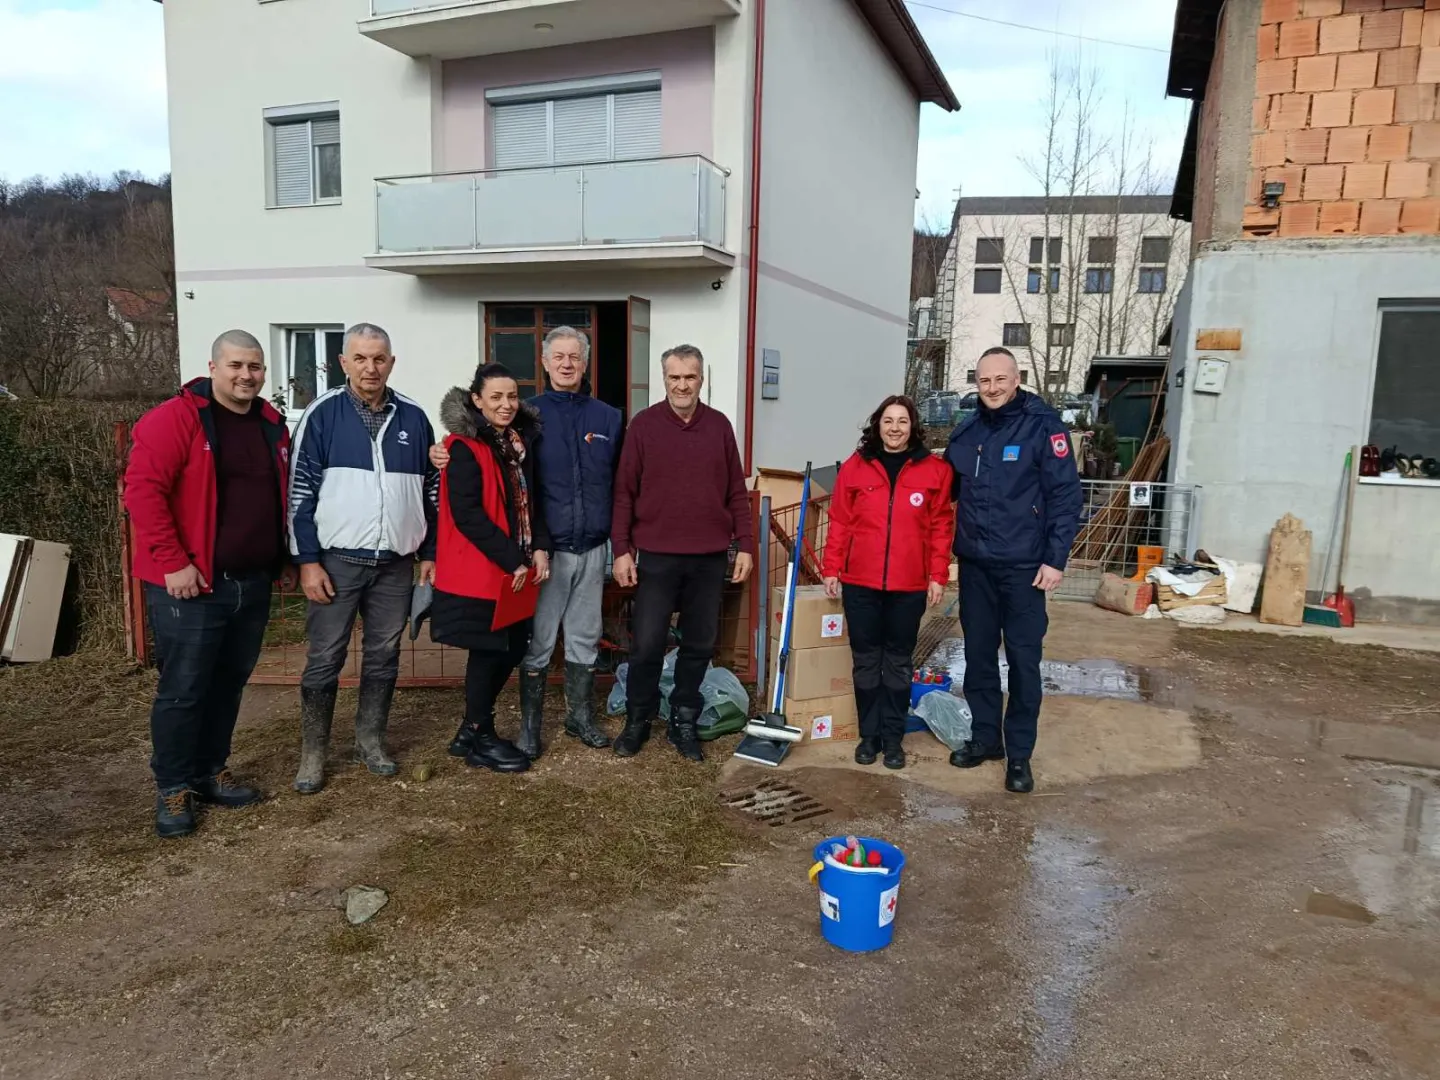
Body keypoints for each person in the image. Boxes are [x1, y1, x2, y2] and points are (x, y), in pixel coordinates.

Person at [124, 329, 293, 838]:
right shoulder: (174, 419)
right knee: (183, 689)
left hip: (252, 581)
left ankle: (209, 770)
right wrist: (173, 561)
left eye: (256, 367)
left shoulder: (270, 424)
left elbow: (275, 495)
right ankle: (173, 786)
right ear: (214, 367)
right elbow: (142, 493)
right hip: (191, 585)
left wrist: (281, 556)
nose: (247, 376)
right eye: (237, 365)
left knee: (228, 684)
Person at [429, 326, 620, 758]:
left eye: (575, 356)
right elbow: (476, 482)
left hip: (586, 545)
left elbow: (615, 483)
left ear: (585, 363)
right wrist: (438, 451)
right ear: (546, 362)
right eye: (559, 356)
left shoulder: (605, 418)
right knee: (530, 640)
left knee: (582, 636)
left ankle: (579, 717)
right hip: (535, 555)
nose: (567, 364)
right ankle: (526, 728)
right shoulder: (525, 419)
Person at [287, 323, 439, 794]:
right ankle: (314, 753)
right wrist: (307, 560)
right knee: (325, 656)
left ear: (391, 362)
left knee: (384, 655)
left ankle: (370, 741)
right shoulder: (321, 414)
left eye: (379, 358)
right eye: (361, 358)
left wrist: (428, 553)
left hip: (395, 562)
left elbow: (431, 491)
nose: (371, 367)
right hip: (336, 562)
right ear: (344, 362)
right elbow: (298, 492)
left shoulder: (413, 417)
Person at [945, 346, 1082, 793]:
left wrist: (1055, 559)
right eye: (984, 381)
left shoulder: (1044, 427)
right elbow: (938, 489)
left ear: (1016, 378)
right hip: (976, 567)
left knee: (1024, 661)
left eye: (1000, 379)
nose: (992, 388)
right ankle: (986, 739)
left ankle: (1019, 755)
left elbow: (1065, 497)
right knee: (979, 657)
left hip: (1025, 568)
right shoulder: (966, 434)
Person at [610, 344, 754, 762]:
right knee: (648, 643)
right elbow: (624, 492)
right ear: (664, 379)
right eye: (674, 377)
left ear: (701, 379)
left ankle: (684, 720)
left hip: (709, 557)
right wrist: (622, 549)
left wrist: (744, 544)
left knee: (698, 643)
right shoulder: (644, 426)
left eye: (689, 377)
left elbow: (735, 493)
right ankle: (638, 719)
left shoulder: (719, 427)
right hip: (656, 555)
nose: (682, 385)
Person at [430, 364, 552, 772]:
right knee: (488, 650)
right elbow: (468, 514)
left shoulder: (517, 443)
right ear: (477, 400)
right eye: (495, 397)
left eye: (512, 396)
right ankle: (481, 735)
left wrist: (538, 548)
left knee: (514, 646)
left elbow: (530, 500)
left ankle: (470, 728)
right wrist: (511, 558)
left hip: (514, 564)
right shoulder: (463, 447)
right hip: (484, 568)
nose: (505, 404)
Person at [821, 395, 954, 770]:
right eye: (888, 421)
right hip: (861, 583)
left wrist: (937, 574)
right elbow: (841, 522)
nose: (895, 428)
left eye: (902, 421)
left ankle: (893, 739)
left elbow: (942, 526)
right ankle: (869, 736)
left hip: (908, 586)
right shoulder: (856, 467)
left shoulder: (934, 470)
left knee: (897, 665)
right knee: (865, 663)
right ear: (877, 425)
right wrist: (832, 568)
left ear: (913, 426)